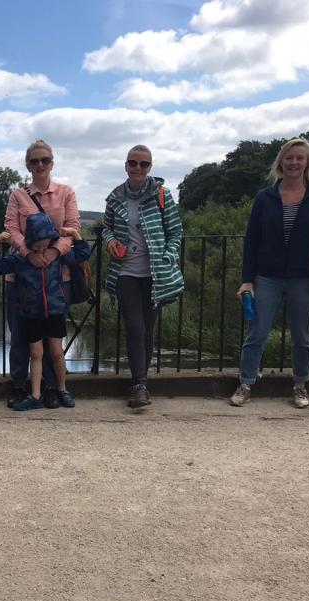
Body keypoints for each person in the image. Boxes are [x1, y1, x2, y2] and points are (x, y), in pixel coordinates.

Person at [230, 138, 309, 409]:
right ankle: (246, 382)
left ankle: (300, 384)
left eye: (299, 157)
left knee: (302, 335)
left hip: (303, 275)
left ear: (307, 163)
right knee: (257, 333)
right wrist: (247, 280)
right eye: (289, 157)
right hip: (267, 275)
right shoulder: (265, 197)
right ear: (281, 162)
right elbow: (252, 240)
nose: (294, 162)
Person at [101, 144, 185, 409]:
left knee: (147, 330)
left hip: (155, 274)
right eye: (133, 163)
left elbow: (175, 232)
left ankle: (141, 384)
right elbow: (106, 228)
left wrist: (168, 257)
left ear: (150, 167)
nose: (138, 168)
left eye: (144, 164)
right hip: (125, 271)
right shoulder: (115, 197)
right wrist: (110, 240)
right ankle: (139, 385)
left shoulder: (162, 195)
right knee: (135, 327)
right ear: (126, 166)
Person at [4, 139, 80, 408]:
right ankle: (19, 385)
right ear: (28, 165)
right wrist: (29, 254)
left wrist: (54, 252)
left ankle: (50, 387)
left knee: (52, 339)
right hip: (23, 277)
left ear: (52, 163)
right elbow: (11, 229)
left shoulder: (66, 193)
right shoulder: (18, 196)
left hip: (57, 278)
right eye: (34, 161)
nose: (40, 165)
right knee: (20, 335)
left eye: (44, 160)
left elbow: (72, 227)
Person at [0, 215, 89, 411]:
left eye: (45, 245)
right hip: (32, 312)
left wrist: (75, 235)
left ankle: (62, 389)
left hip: (55, 310)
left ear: (50, 241)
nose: (41, 250)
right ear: (30, 243)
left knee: (57, 353)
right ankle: (35, 395)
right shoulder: (20, 259)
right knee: (35, 354)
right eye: (37, 246)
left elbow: (82, 254)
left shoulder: (57, 256)